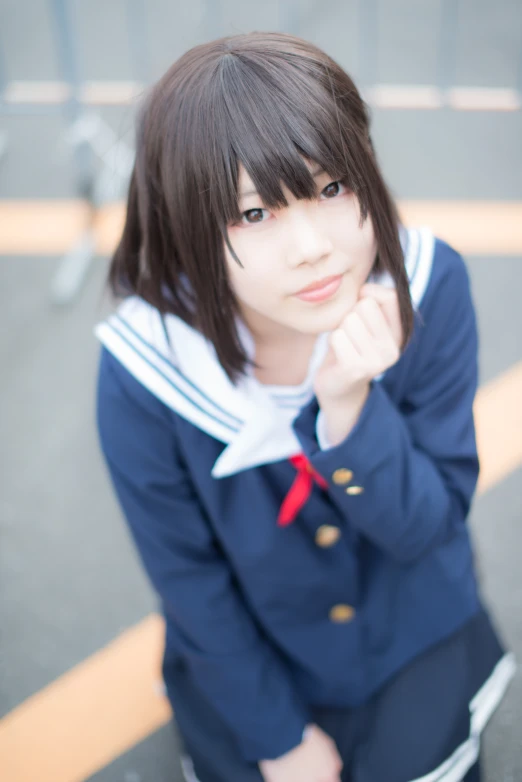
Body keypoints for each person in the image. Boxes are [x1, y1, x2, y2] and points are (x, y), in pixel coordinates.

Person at [95, 31, 515, 782]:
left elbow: (428, 526)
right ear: (185, 223)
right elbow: (188, 578)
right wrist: (277, 734)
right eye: (253, 215)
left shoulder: (425, 286)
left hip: (411, 622)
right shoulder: (146, 368)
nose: (314, 247)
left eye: (330, 189)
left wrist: (349, 410)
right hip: (255, 645)